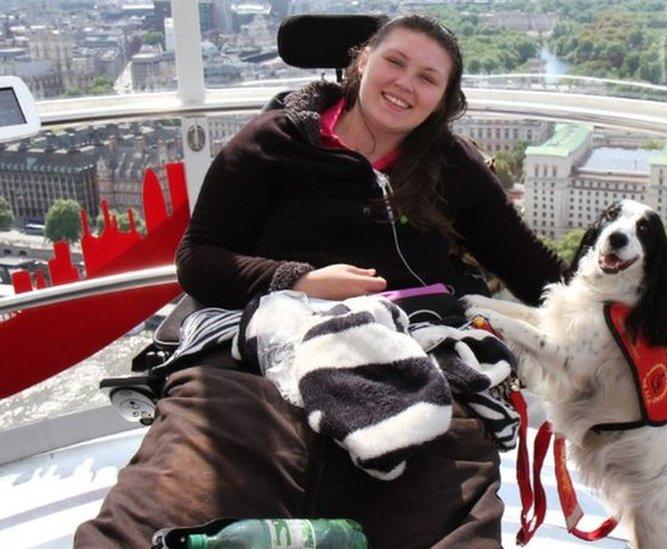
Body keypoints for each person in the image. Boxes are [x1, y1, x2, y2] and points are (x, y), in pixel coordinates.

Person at [75, 14, 563, 549]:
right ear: (362, 63)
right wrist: (298, 280)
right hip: (264, 350)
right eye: (394, 62)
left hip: (413, 354)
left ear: (443, 99)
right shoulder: (277, 140)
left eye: (428, 78)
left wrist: (630, 311)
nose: (405, 83)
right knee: (177, 496)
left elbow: (533, 270)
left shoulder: (454, 167)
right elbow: (198, 258)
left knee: (440, 511)